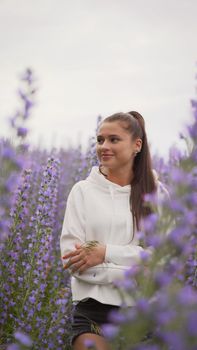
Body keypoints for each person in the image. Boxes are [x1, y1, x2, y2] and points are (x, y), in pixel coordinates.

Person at [60, 111, 168, 350]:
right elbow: (72, 260)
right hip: (93, 310)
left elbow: (164, 260)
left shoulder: (157, 194)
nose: (104, 146)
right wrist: (138, 270)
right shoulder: (82, 191)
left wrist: (104, 253)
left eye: (113, 139)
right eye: (100, 140)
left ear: (136, 145)